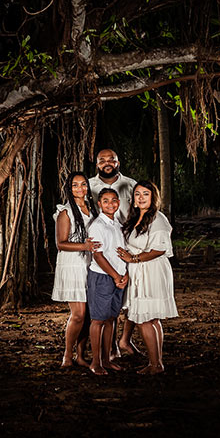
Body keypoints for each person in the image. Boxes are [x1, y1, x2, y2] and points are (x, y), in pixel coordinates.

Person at [117, 180, 177, 375]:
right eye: (137, 194)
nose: (141, 198)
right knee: (150, 319)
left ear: (153, 198)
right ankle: (157, 361)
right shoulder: (134, 218)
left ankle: (154, 364)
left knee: (145, 318)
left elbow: (159, 249)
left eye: (146, 194)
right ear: (133, 199)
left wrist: (133, 258)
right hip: (138, 270)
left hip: (151, 271)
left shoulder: (158, 219)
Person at [88, 148, 140, 357]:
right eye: (103, 160)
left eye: (112, 159)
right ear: (97, 163)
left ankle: (123, 340)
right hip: (101, 246)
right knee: (101, 309)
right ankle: (102, 352)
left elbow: (141, 207)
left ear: (119, 162)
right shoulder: (90, 185)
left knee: (128, 300)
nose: (107, 163)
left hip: (127, 244)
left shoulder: (130, 184)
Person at [52, 171, 99, 368]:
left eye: (83, 184)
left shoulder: (92, 209)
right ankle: (67, 354)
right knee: (78, 314)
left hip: (90, 263)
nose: (80, 188)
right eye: (75, 185)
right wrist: (84, 246)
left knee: (89, 314)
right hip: (72, 264)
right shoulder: (66, 212)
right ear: (69, 189)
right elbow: (60, 244)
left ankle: (81, 355)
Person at [86, 188, 129, 376]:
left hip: (118, 278)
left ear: (118, 202)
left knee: (111, 319)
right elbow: (98, 256)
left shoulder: (118, 224)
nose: (110, 204)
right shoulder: (97, 226)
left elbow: (121, 253)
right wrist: (115, 276)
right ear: (99, 204)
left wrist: (124, 275)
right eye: (105, 201)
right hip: (103, 277)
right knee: (98, 320)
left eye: (113, 200)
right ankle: (95, 362)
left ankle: (106, 359)